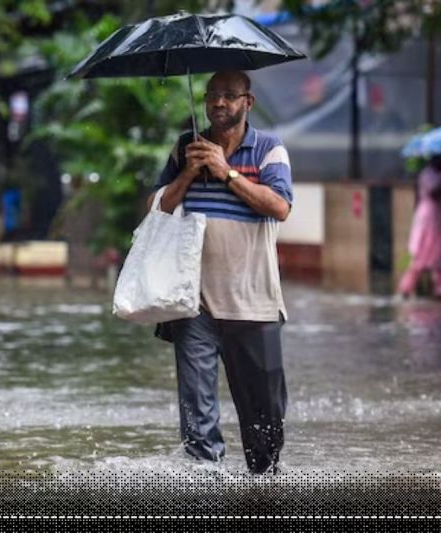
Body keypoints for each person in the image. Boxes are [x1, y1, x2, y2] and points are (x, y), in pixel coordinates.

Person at [148, 71, 293, 474]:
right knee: (197, 418)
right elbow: (155, 208)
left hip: (254, 302)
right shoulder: (186, 147)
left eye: (229, 96)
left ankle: (264, 492)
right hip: (193, 303)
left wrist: (226, 170)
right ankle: (206, 490)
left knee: (264, 425)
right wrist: (190, 173)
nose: (218, 103)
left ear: (248, 101)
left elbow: (279, 206)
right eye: (213, 95)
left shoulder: (269, 149)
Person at [397, 154, 441, 299]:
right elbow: (434, 193)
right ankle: (405, 288)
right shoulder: (427, 174)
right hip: (429, 219)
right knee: (419, 255)